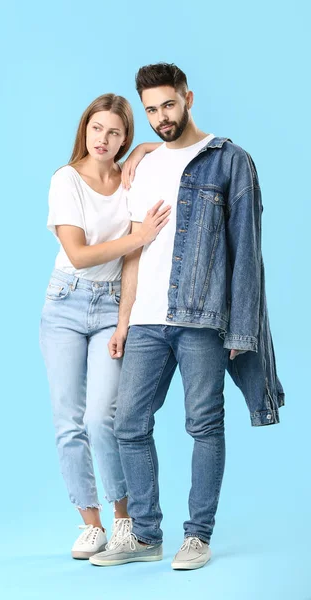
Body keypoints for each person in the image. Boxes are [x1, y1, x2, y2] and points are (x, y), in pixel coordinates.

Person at [89, 63, 284, 569]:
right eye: (151, 110)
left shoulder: (230, 161)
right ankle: (146, 535)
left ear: (188, 98)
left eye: (168, 105)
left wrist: (240, 328)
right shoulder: (145, 165)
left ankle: (197, 536)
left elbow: (247, 251)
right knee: (128, 423)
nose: (160, 118)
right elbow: (134, 251)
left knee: (203, 424)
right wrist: (125, 319)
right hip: (149, 320)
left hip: (203, 318)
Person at [39, 93, 170, 559]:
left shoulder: (130, 177)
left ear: (124, 137)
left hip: (113, 305)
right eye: (97, 129)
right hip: (65, 304)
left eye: (115, 132)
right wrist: (137, 237)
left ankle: (124, 522)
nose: (104, 139)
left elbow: (181, 141)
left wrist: (138, 153)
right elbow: (78, 254)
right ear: (85, 129)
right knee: (68, 422)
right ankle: (89, 523)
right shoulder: (65, 180)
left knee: (103, 418)